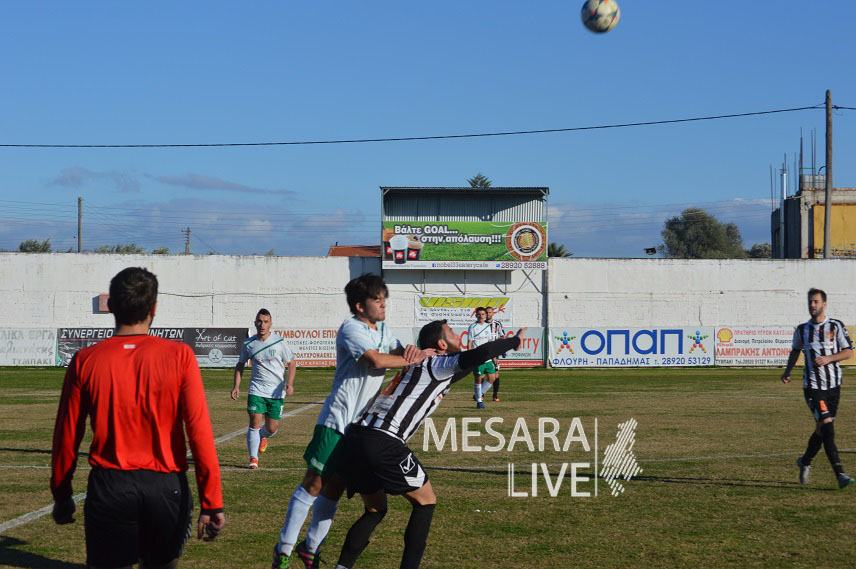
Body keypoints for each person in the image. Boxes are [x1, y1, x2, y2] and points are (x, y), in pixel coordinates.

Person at [51, 267, 225, 568]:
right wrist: (212, 501)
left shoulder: (86, 360)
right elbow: (199, 432)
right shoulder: (179, 356)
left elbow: (67, 435)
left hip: (110, 487)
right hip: (165, 487)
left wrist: (62, 492)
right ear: (154, 308)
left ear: (112, 307)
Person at [331, 320, 524, 569]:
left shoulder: (419, 363)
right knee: (426, 501)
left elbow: (469, 363)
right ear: (441, 343)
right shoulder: (437, 364)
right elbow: (482, 353)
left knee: (375, 510)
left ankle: (342, 566)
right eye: (452, 332)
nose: (458, 334)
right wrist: (515, 341)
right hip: (383, 440)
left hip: (356, 437)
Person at [273, 274, 429, 569]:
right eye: (376, 299)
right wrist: (413, 358)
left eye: (384, 298)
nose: (383, 303)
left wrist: (412, 351)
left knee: (334, 490)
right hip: (337, 421)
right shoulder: (351, 329)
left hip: (361, 430)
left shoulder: (384, 330)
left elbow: (399, 352)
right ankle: (283, 551)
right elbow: (377, 361)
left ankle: (310, 550)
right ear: (360, 306)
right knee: (314, 484)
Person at [781, 287, 855, 489]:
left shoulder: (835, 326)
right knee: (828, 427)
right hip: (813, 387)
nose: (812, 305)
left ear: (824, 303)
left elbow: (848, 352)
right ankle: (840, 474)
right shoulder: (802, 329)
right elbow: (795, 351)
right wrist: (787, 371)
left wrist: (829, 358)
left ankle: (805, 460)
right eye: (810, 302)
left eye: (815, 302)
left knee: (822, 430)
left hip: (834, 386)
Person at [231, 308, 297, 469]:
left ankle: (262, 435)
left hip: (276, 392)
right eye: (259, 321)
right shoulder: (249, 344)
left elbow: (292, 363)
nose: (262, 324)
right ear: (255, 323)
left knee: (272, 428)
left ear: (270, 324)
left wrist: (289, 383)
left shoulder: (279, 342)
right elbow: (240, 365)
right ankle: (253, 459)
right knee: (254, 421)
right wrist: (236, 386)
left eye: (266, 322)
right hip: (256, 390)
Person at [467, 307, 497, 409]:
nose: (481, 316)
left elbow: (490, 342)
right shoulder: (473, 327)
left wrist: (493, 355)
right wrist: (470, 355)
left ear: (486, 316)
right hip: (477, 357)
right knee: (478, 380)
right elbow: (470, 342)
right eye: (479, 314)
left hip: (487, 357)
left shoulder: (487, 326)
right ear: (476, 315)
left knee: (492, 378)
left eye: (483, 314)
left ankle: (478, 394)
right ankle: (479, 401)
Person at [485, 306, 506, 402]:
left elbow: (502, 336)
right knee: (481, 374)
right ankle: (481, 393)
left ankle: (495, 395)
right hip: (483, 352)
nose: (488, 314)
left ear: (493, 313)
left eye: (490, 312)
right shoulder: (480, 324)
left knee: (496, 374)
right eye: (487, 312)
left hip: (494, 352)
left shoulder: (497, 324)